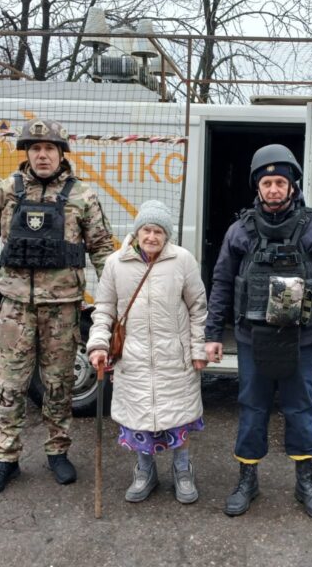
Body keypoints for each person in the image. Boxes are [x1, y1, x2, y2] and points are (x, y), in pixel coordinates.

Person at [0, 118, 115, 496]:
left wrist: (115, 303)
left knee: (59, 384)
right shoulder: (7, 191)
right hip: (15, 307)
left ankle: (58, 451)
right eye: (35, 148)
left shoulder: (82, 196)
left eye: (49, 148)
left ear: (61, 154)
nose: (42, 155)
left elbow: (103, 251)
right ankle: (6, 458)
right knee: (10, 385)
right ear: (26, 153)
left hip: (63, 309)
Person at [205, 143, 312, 520]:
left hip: (301, 340)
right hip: (253, 340)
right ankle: (247, 481)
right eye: (267, 183)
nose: (273, 189)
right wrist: (212, 335)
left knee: (301, 409)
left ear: (292, 185)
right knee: (252, 408)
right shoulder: (239, 231)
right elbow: (222, 283)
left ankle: (306, 483)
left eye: (280, 183)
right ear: (257, 186)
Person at [87, 200, 208, 505]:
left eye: (158, 232)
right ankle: (145, 471)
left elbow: (198, 307)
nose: (152, 237)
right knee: (138, 418)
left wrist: (197, 350)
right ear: (137, 231)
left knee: (178, 418)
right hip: (134, 357)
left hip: (174, 358)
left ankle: (182, 470)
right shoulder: (116, 263)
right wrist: (99, 344)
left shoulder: (183, 260)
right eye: (147, 230)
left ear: (167, 235)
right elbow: (104, 309)